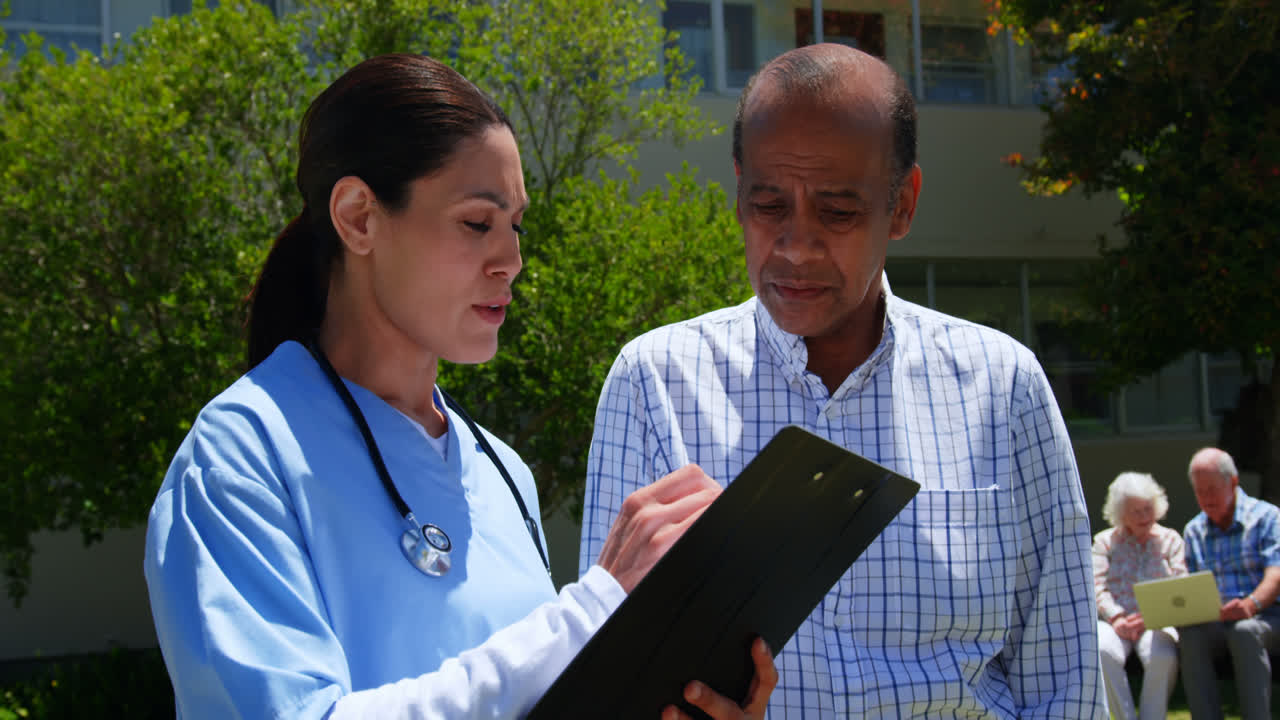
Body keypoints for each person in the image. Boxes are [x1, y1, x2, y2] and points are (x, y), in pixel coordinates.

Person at [143, 53, 777, 720]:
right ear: (358, 217)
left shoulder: (502, 473)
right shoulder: (239, 458)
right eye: (478, 223)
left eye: (516, 226)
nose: (512, 261)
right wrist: (590, 610)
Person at [579, 43, 1105, 718]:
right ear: (738, 191)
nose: (797, 246)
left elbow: (1063, 681)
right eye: (768, 204)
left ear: (903, 204)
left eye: (837, 211)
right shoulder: (654, 386)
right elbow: (609, 676)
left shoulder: (1002, 388)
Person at [1179, 447, 1280, 720]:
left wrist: (1250, 604)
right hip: (1217, 619)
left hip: (1267, 615)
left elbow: (1276, 574)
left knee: (1244, 631)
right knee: (1191, 636)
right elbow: (1193, 585)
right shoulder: (1194, 530)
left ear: (1233, 482)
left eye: (1212, 489)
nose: (1206, 498)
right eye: (1200, 491)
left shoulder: (1267, 517)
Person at [1093, 472, 1185, 720]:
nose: (1144, 516)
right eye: (1136, 511)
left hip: (1157, 620)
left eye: (1148, 509)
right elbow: (1095, 585)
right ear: (1121, 513)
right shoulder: (1104, 542)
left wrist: (1148, 617)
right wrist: (1116, 617)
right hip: (1114, 621)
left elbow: (1180, 585)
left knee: (1162, 656)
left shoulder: (1171, 540)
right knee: (1101, 650)